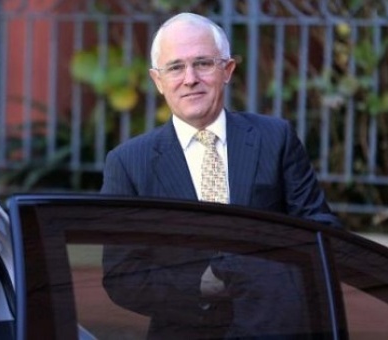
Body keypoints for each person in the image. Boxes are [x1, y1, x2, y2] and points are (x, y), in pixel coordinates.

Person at [100, 12, 341, 339]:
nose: (190, 78)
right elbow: (122, 275)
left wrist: (264, 271)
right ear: (158, 81)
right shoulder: (128, 163)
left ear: (227, 70)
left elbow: (321, 231)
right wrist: (199, 285)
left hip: (277, 328)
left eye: (202, 63)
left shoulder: (275, 138)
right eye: (175, 67)